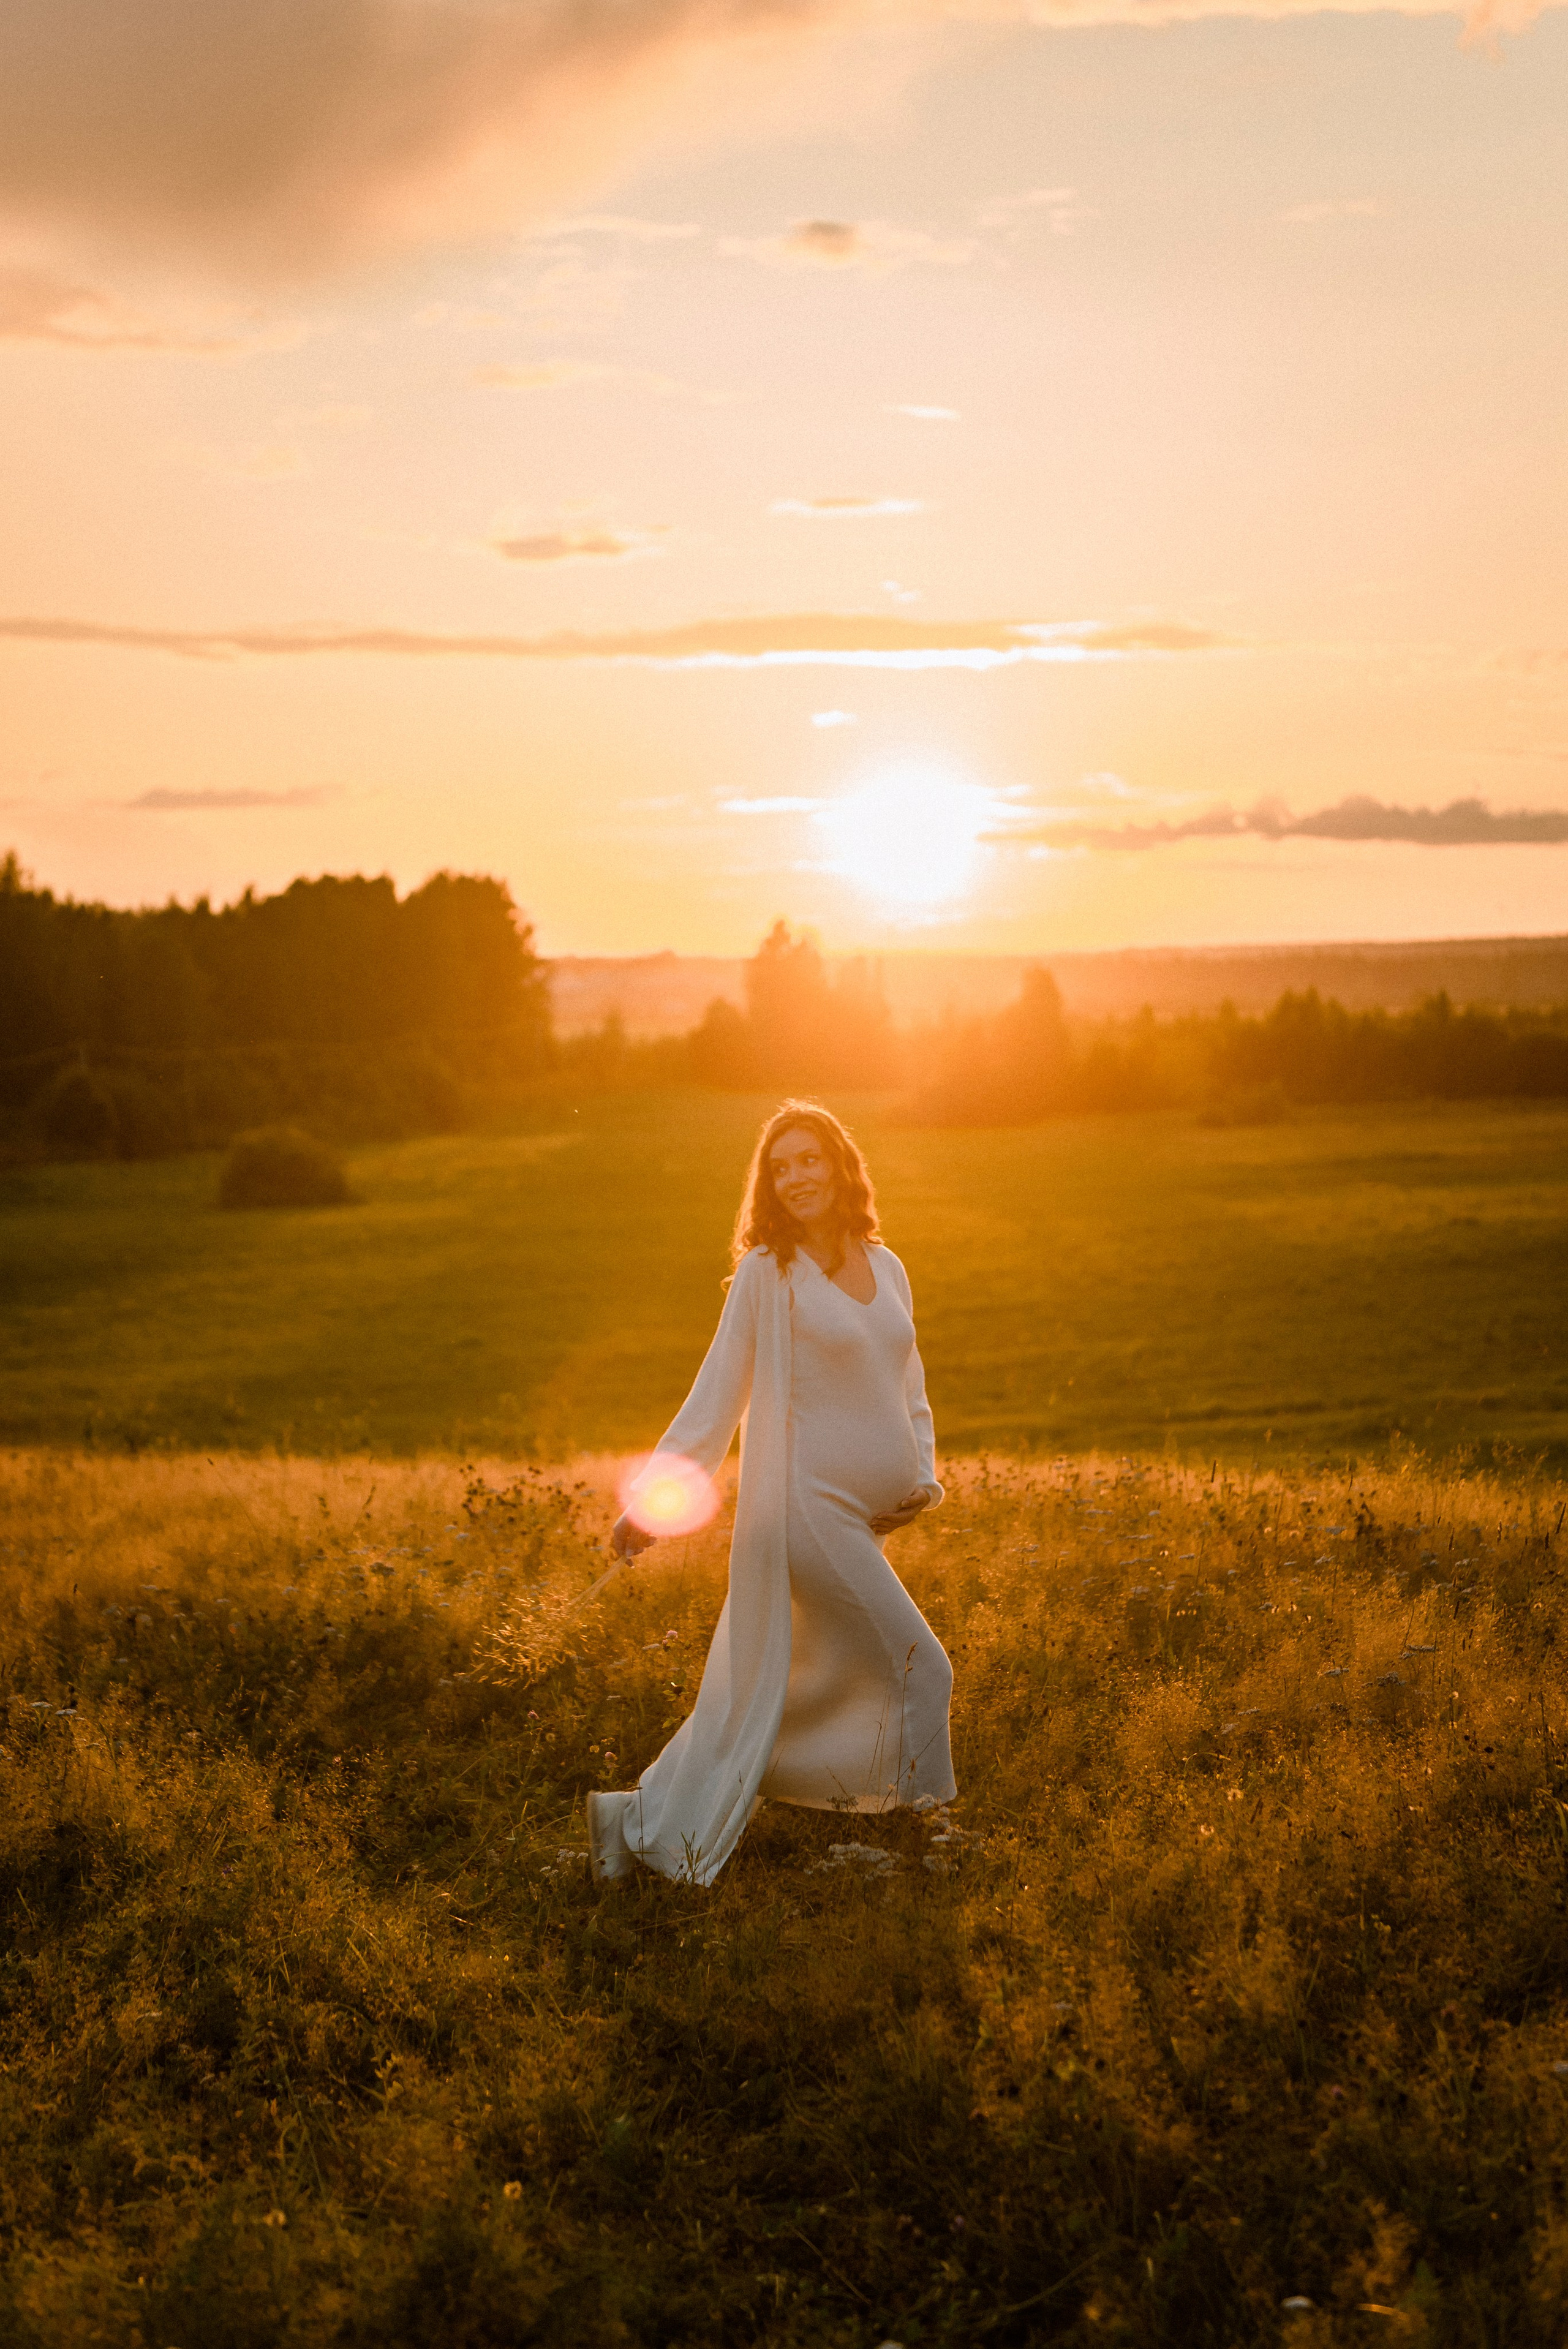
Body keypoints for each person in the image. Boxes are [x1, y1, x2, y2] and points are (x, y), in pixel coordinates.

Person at [587, 1101, 956, 1886]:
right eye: (779, 1168)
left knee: (780, 1693)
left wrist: (922, 1480)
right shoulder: (767, 1273)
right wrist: (653, 1501)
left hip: (866, 1518)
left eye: (808, 1160)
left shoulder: (886, 1266)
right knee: (924, 1669)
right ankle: (927, 1844)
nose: (794, 1179)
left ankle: (636, 1817)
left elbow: (908, 1385)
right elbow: (716, 1393)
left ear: (841, 1165)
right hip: (806, 1513)